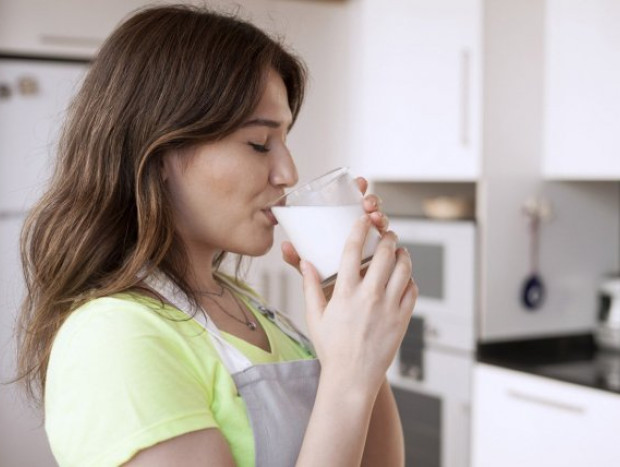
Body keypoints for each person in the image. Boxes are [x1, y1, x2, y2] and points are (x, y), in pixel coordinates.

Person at [16, 5, 417, 467]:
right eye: (259, 144)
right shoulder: (112, 338)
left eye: (285, 140)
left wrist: (356, 325)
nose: (288, 172)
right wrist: (346, 378)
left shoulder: (248, 308)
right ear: (161, 154)